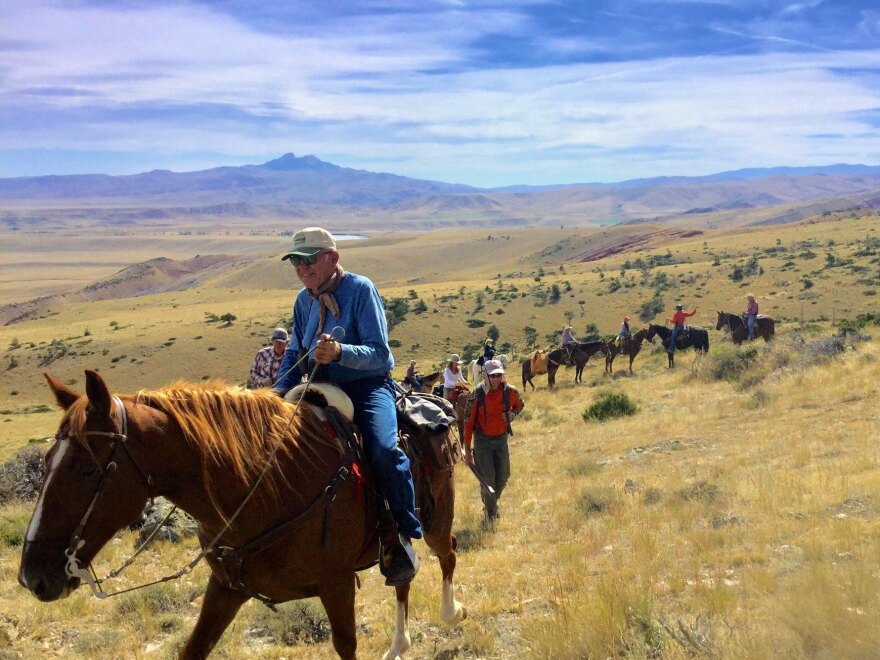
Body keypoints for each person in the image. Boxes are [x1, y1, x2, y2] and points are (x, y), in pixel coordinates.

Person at [272, 226, 421, 586]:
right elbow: (294, 352)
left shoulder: (361, 290)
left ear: (332, 258)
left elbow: (381, 354)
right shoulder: (302, 299)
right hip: (317, 385)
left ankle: (401, 532)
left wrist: (341, 352)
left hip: (367, 387)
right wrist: (275, 395)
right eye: (296, 262)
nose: (302, 269)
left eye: (309, 261)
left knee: (384, 450)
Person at [463, 359, 524, 530]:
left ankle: (491, 503)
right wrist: (467, 451)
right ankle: (490, 512)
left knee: (503, 476)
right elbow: (468, 424)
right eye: (492, 376)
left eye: (499, 375)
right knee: (487, 479)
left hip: (501, 439)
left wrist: (512, 414)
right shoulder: (476, 395)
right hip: (482, 442)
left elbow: (520, 404)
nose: (496, 379)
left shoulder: (510, 391)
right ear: (486, 376)